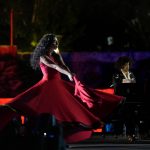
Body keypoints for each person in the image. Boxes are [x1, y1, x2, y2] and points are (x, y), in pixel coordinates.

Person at [0, 33, 124, 143]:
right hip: (48, 85)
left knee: (71, 106)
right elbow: (55, 67)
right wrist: (68, 74)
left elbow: (63, 65)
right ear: (47, 43)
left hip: (58, 84)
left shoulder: (55, 54)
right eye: (54, 41)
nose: (56, 43)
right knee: (38, 105)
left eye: (56, 42)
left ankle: (64, 134)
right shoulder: (43, 56)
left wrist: (69, 72)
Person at [112, 56, 137, 142]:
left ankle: (131, 134)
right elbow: (118, 84)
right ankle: (119, 131)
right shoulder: (116, 74)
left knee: (131, 116)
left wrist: (129, 81)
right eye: (126, 65)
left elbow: (134, 83)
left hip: (130, 99)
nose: (128, 66)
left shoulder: (131, 74)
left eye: (129, 64)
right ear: (121, 65)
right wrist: (129, 81)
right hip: (120, 99)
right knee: (124, 114)